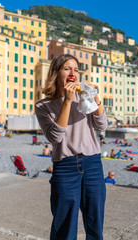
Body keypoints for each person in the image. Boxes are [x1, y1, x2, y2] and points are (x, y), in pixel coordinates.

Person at [35, 54, 107, 240]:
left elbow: (102, 126)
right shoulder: (43, 105)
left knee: (95, 225)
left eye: (76, 69)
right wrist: (67, 101)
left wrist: (94, 95)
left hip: (93, 164)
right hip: (65, 167)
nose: (72, 73)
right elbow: (55, 137)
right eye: (67, 68)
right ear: (56, 72)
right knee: (64, 227)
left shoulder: (85, 97)